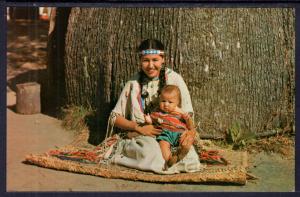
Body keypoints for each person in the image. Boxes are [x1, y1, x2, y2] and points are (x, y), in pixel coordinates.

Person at [106, 39, 202, 174]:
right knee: (152, 154)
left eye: (155, 60)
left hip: (172, 133)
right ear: (140, 61)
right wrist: (139, 128)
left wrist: (188, 134)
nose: (150, 65)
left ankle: (169, 161)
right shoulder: (133, 83)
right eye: (146, 60)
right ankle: (157, 162)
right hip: (143, 136)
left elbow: (187, 114)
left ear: (163, 59)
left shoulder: (175, 79)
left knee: (191, 161)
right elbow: (114, 118)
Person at [144, 85, 196, 170]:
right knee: (163, 144)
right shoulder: (158, 112)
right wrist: (148, 120)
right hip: (166, 133)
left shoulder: (180, 113)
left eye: (170, 102)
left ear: (177, 103)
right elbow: (153, 121)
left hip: (180, 133)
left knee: (185, 139)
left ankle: (183, 150)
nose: (166, 105)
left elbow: (191, 127)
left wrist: (187, 119)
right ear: (159, 100)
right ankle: (170, 159)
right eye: (163, 101)